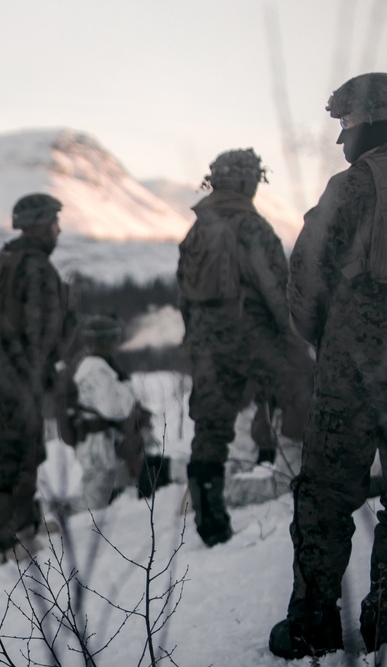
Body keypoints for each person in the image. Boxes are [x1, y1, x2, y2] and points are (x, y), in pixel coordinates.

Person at [269, 72, 387, 659]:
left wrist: (325, 339)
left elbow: (307, 277)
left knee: (324, 494)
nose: (342, 138)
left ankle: (314, 622)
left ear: (367, 121)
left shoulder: (352, 186)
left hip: (353, 369)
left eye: (346, 124)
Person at [176, 147, 314, 548]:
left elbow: (185, 296)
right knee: (308, 394)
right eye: (254, 178)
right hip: (252, 337)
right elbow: (278, 294)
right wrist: (294, 344)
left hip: (207, 344)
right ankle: (312, 487)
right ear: (242, 181)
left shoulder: (195, 232)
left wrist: (196, 341)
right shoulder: (253, 227)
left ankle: (210, 522)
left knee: (211, 430)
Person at [0, 192, 72, 563]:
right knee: (18, 451)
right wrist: (44, 373)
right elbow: (42, 333)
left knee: (25, 445)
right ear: (41, 225)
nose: (57, 230)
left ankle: (25, 522)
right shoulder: (37, 268)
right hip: (21, 374)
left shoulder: (1, 262)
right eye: (54, 222)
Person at [70, 314, 173, 511]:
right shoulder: (94, 368)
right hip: (99, 448)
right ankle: (44, 517)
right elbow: (114, 409)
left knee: (111, 501)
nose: (117, 342)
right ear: (102, 340)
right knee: (92, 508)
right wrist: (128, 392)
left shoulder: (102, 365)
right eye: (113, 337)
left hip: (109, 446)